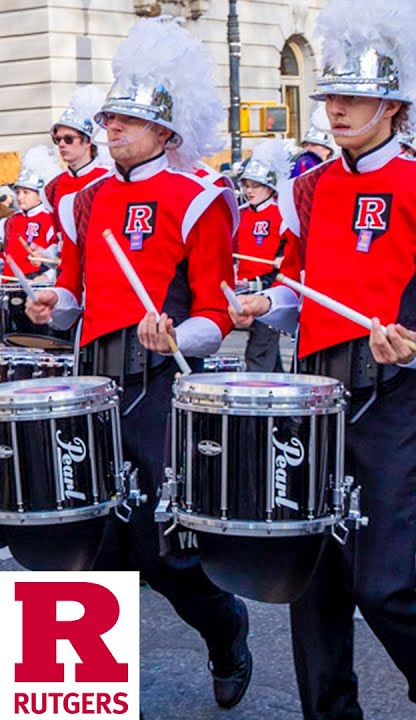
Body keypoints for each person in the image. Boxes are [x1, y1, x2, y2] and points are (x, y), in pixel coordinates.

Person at [227, 1, 416, 716]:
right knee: (315, 575)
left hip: (393, 394)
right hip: (316, 391)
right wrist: (259, 305)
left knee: (384, 583)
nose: (335, 107)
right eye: (331, 94)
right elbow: (298, 291)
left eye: (354, 96)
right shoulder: (308, 186)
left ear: (393, 106)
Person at [23, 17, 251, 709]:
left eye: (129, 118)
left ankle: (226, 629)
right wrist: (52, 304)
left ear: (166, 132)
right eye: (111, 116)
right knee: (75, 535)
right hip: (90, 376)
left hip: (161, 385)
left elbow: (218, 310)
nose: (112, 126)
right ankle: (76, 692)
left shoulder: (200, 198)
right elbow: (77, 295)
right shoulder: (85, 200)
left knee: (161, 550)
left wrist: (179, 332)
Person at [233, 139, 294, 372]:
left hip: (270, 286)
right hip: (246, 287)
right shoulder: (240, 214)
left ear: (269, 188)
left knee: (259, 348)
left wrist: (282, 257)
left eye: (255, 186)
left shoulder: (282, 214)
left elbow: (293, 249)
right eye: (246, 185)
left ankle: (255, 395)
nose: (249, 191)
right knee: (266, 348)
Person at [43, 85, 110, 239]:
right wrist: (50, 249)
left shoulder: (107, 178)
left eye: (68, 139)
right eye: (57, 139)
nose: (61, 144)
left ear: (87, 141)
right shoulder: (53, 186)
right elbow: (57, 232)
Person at [4, 146, 62, 281]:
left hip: (36, 282)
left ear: (40, 195)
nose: (19, 197)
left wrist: (46, 274)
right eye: (17, 192)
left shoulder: (50, 219)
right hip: (9, 282)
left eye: (26, 192)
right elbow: (6, 252)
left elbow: (57, 256)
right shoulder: (12, 220)